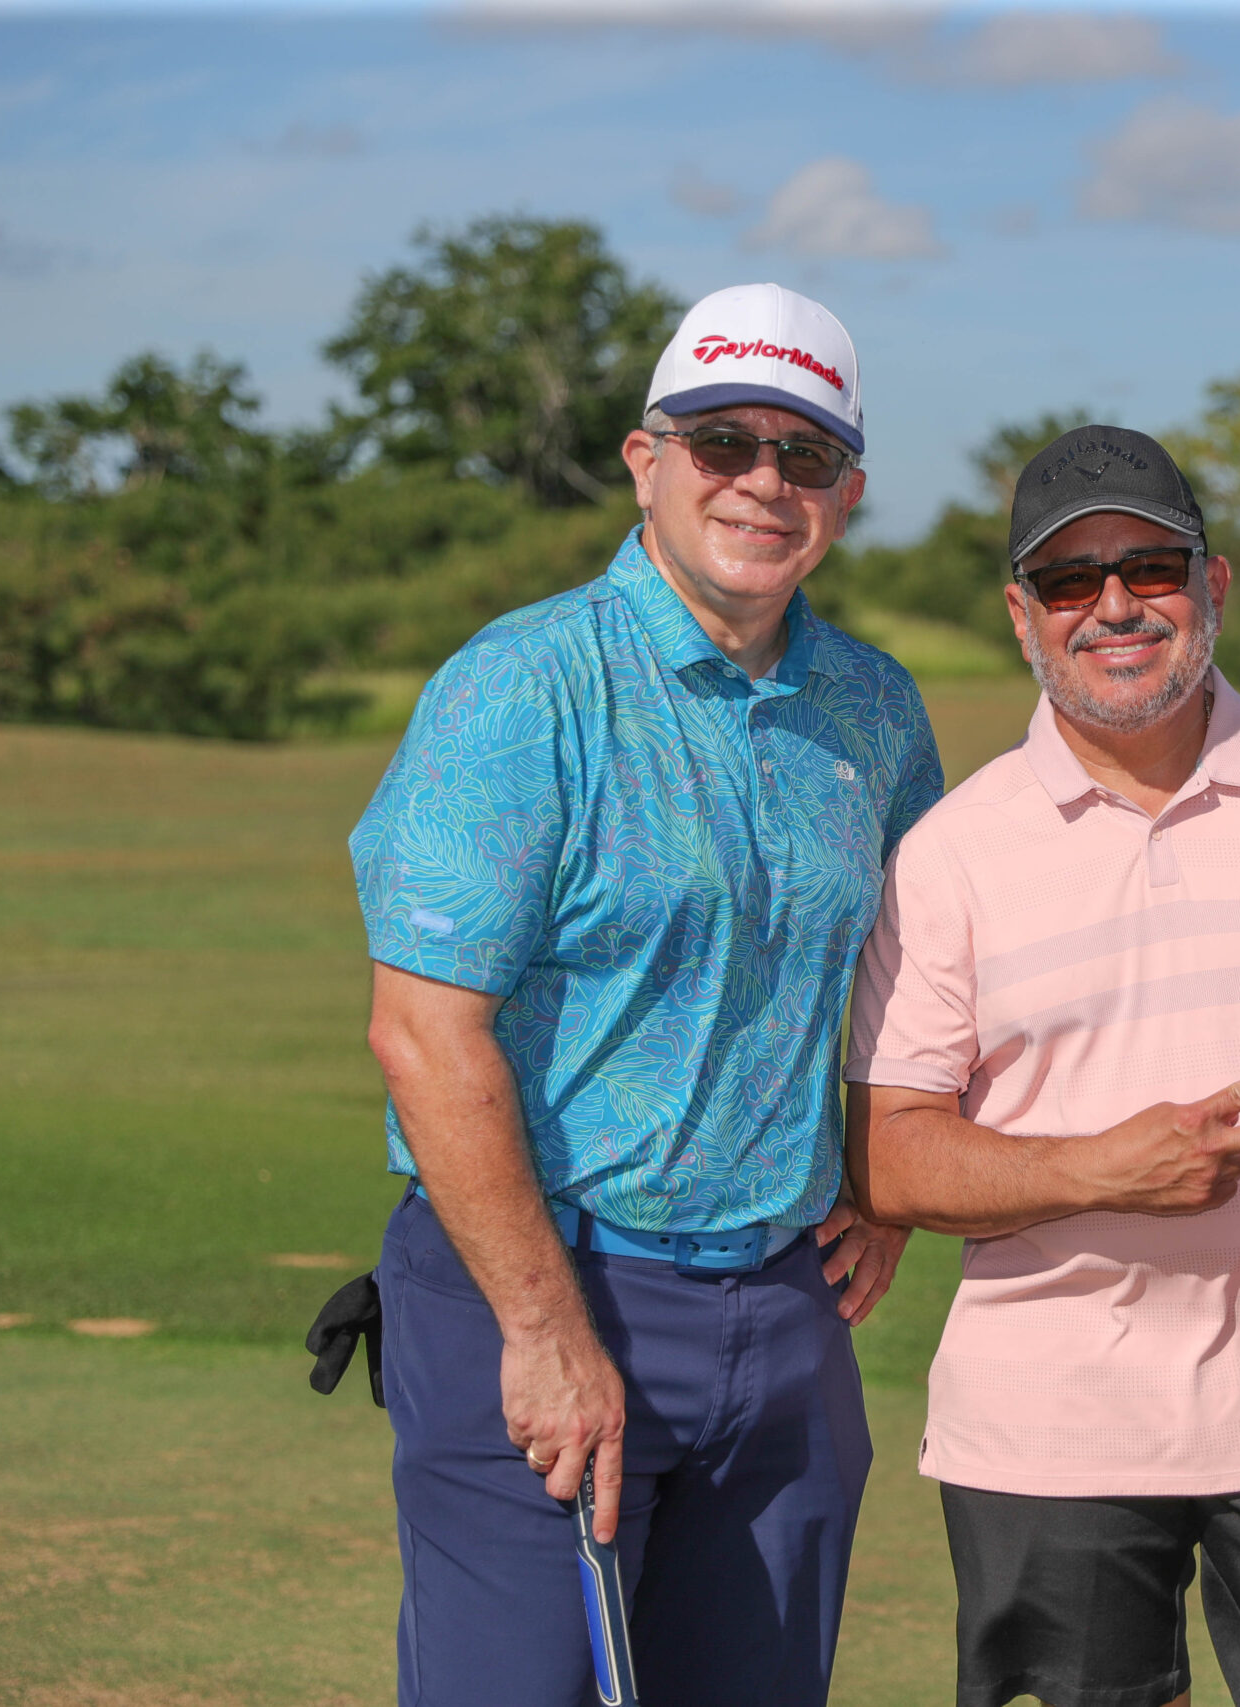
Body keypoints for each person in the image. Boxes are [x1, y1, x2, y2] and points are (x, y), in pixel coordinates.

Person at [348, 281, 943, 1706]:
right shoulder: (523, 685)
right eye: (723, 441)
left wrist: (887, 1184)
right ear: (645, 460)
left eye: (805, 455)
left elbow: (915, 970)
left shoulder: (874, 706)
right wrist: (546, 1330)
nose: (762, 481)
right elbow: (425, 1032)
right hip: (541, 1281)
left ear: (848, 495)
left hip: (785, 1309)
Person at [844, 425, 1240, 1707]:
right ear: (1021, 616)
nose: (1115, 606)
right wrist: (1099, 1170)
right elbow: (887, 1152)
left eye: (1150, 566)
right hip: (1046, 1432)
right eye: (1069, 580)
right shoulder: (952, 849)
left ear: (1214, 585)